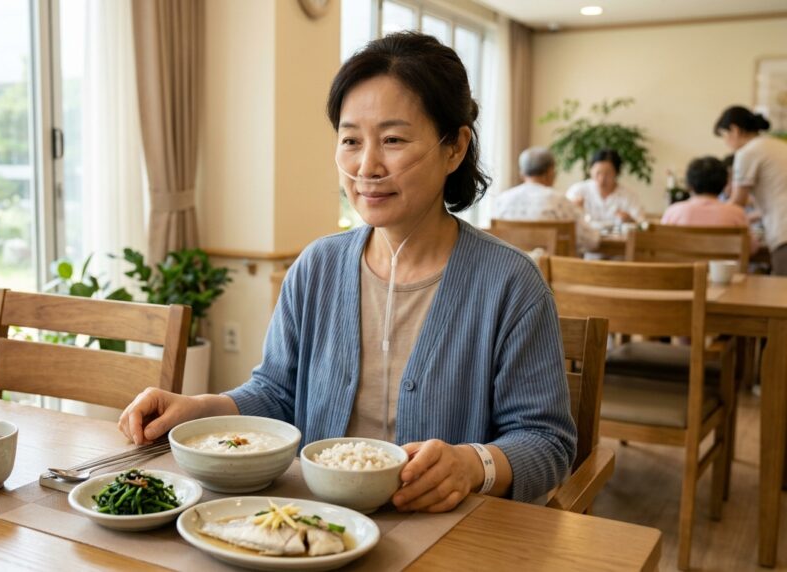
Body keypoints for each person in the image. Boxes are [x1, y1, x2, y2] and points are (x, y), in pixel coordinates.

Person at [119, 32, 575, 511]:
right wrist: (201, 409)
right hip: (315, 523)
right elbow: (276, 394)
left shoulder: (511, 284)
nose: (367, 166)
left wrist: (471, 464)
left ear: (455, 148)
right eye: (351, 140)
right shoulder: (316, 267)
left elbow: (548, 442)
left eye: (393, 140)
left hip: (447, 534)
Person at [715, 105, 787, 275]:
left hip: (784, 234)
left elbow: (737, 202)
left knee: (781, 295)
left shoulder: (748, 153)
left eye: (724, 136)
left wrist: (712, 220)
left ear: (734, 130)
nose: (726, 143)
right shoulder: (776, 145)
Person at [494, 147, 600, 252]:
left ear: (522, 173)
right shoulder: (559, 201)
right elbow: (591, 241)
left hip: (510, 266)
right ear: (550, 172)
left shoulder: (502, 200)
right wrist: (579, 211)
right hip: (551, 268)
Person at [661, 156, 748, 228]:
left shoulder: (673, 212)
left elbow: (660, 242)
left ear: (688, 185)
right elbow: (750, 245)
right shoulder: (737, 213)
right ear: (724, 184)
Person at [566, 149, 645, 225]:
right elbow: (563, 217)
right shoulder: (578, 190)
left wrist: (630, 220)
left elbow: (642, 224)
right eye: (598, 173)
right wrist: (573, 209)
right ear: (590, 170)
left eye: (607, 174)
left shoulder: (629, 196)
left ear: (617, 173)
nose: (602, 179)